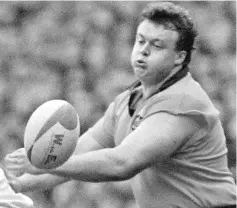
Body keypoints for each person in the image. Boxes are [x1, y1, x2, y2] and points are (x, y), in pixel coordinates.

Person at [3, 2, 236, 208]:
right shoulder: (127, 102)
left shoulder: (184, 106)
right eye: (141, 40)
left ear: (179, 57)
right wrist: (15, 183)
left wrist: (45, 164)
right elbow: (78, 154)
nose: (144, 50)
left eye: (157, 45)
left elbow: (122, 163)